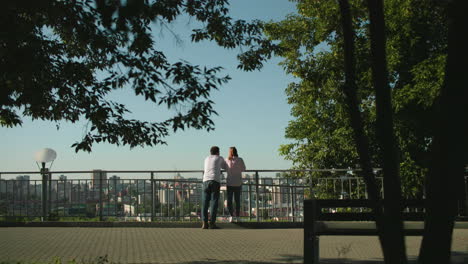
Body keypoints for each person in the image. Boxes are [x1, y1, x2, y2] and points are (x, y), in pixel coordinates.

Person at [202, 146, 228, 229]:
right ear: (218, 152)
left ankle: (204, 223)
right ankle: (212, 223)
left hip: (205, 180)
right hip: (215, 181)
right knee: (214, 203)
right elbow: (225, 167)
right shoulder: (219, 158)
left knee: (205, 203)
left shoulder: (206, 158)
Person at [225, 147, 246, 222]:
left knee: (229, 200)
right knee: (237, 201)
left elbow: (224, 168)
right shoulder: (240, 159)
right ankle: (237, 217)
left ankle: (231, 216)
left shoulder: (227, 160)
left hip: (230, 182)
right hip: (238, 182)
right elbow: (244, 169)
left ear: (229, 152)